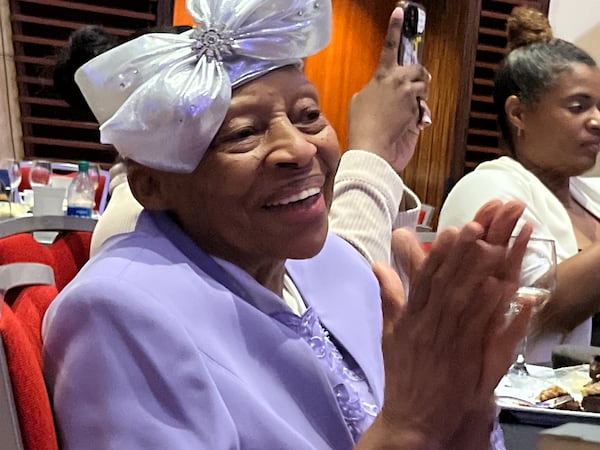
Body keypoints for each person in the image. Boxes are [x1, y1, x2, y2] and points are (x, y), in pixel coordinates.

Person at [42, 0, 532, 448]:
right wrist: (410, 424)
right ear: (152, 185)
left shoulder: (334, 263)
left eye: (310, 116)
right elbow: (403, 427)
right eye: (242, 133)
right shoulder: (117, 311)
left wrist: (466, 403)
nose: (299, 149)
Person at [438, 6, 600, 363]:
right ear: (519, 113)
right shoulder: (487, 189)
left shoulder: (592, 195)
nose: (596, 121)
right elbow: (538, 312)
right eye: (579, 107)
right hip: (523, 409)